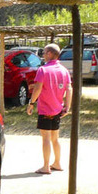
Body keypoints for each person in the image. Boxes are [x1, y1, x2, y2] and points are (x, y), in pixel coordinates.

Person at [26, 43, 72, 174]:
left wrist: (31, 103)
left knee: (45, 138)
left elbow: (38, 88)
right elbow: (69, 89)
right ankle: (57, 163)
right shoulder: (64, 70)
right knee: (55, 138)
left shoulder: (43, 70)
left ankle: (46, 166)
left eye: (45, 53)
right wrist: (67, 106)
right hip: (58, 109)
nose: (43, 55)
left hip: (45, 109)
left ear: (50, 54)